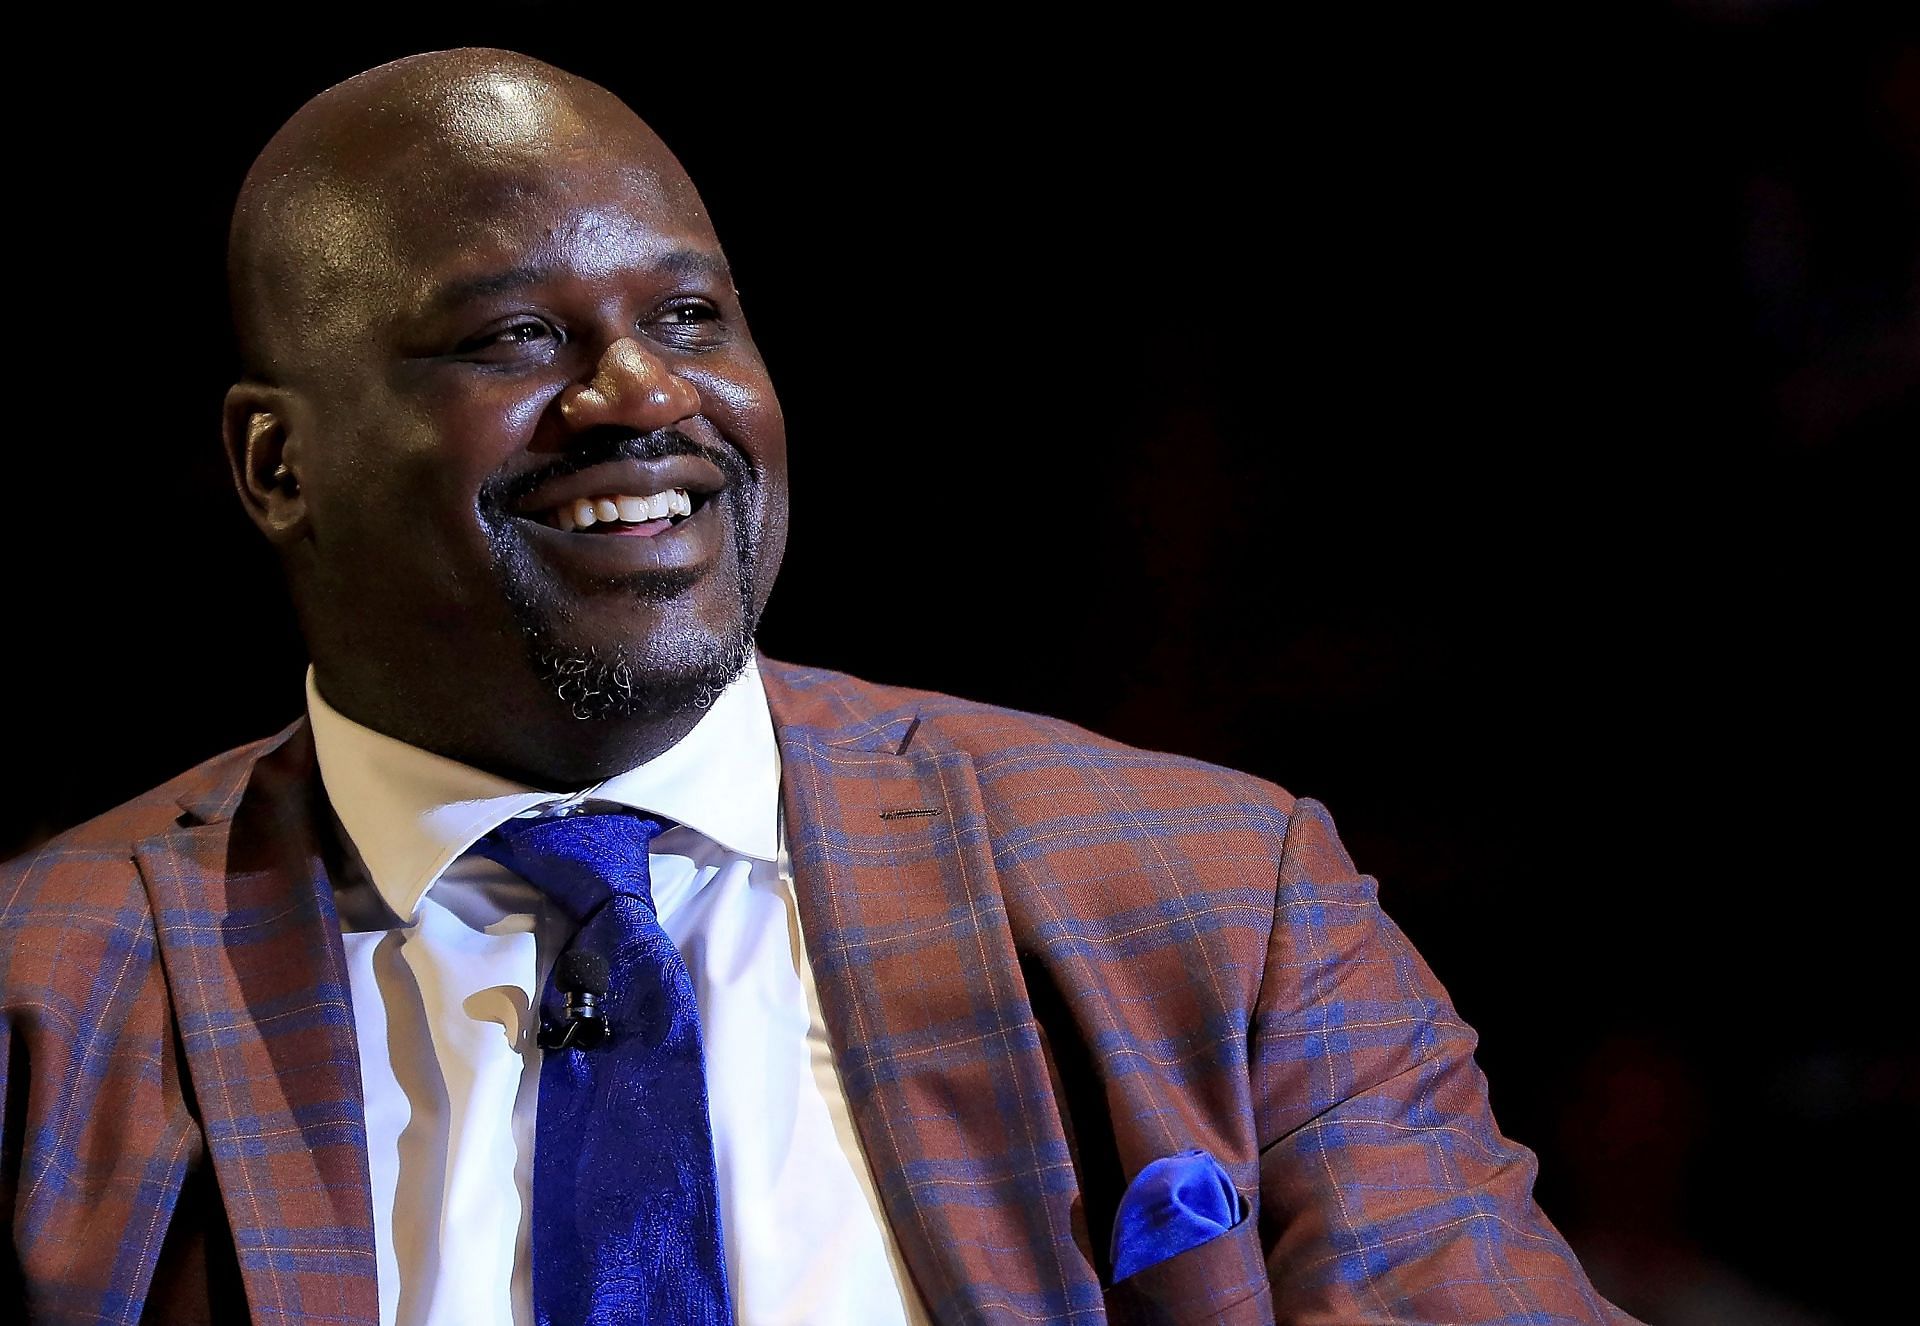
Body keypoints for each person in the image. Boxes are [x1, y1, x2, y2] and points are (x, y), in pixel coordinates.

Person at [1, 48, 1634, 1326]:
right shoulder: (46, 994)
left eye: (689, 313)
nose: (641, 392)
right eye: (512, 338)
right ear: (276, 464)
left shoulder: (1217, 892)